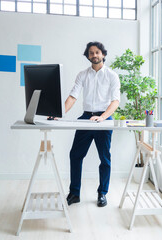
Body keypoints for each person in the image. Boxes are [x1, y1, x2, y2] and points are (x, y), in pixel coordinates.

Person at [64, 42, 120, 207]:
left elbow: (115, 101)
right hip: (86, 117)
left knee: (105, 159)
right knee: (75, 155)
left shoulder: (112, 75)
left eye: (97, 52)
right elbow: (73, 96)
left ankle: (102, 193)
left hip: (104, 118)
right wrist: (59, 114)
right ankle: (74, 193)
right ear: (88, 56)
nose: (94, 55)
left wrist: (102, 117)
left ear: (103, 54)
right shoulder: (82, 75)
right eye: (91, 53)